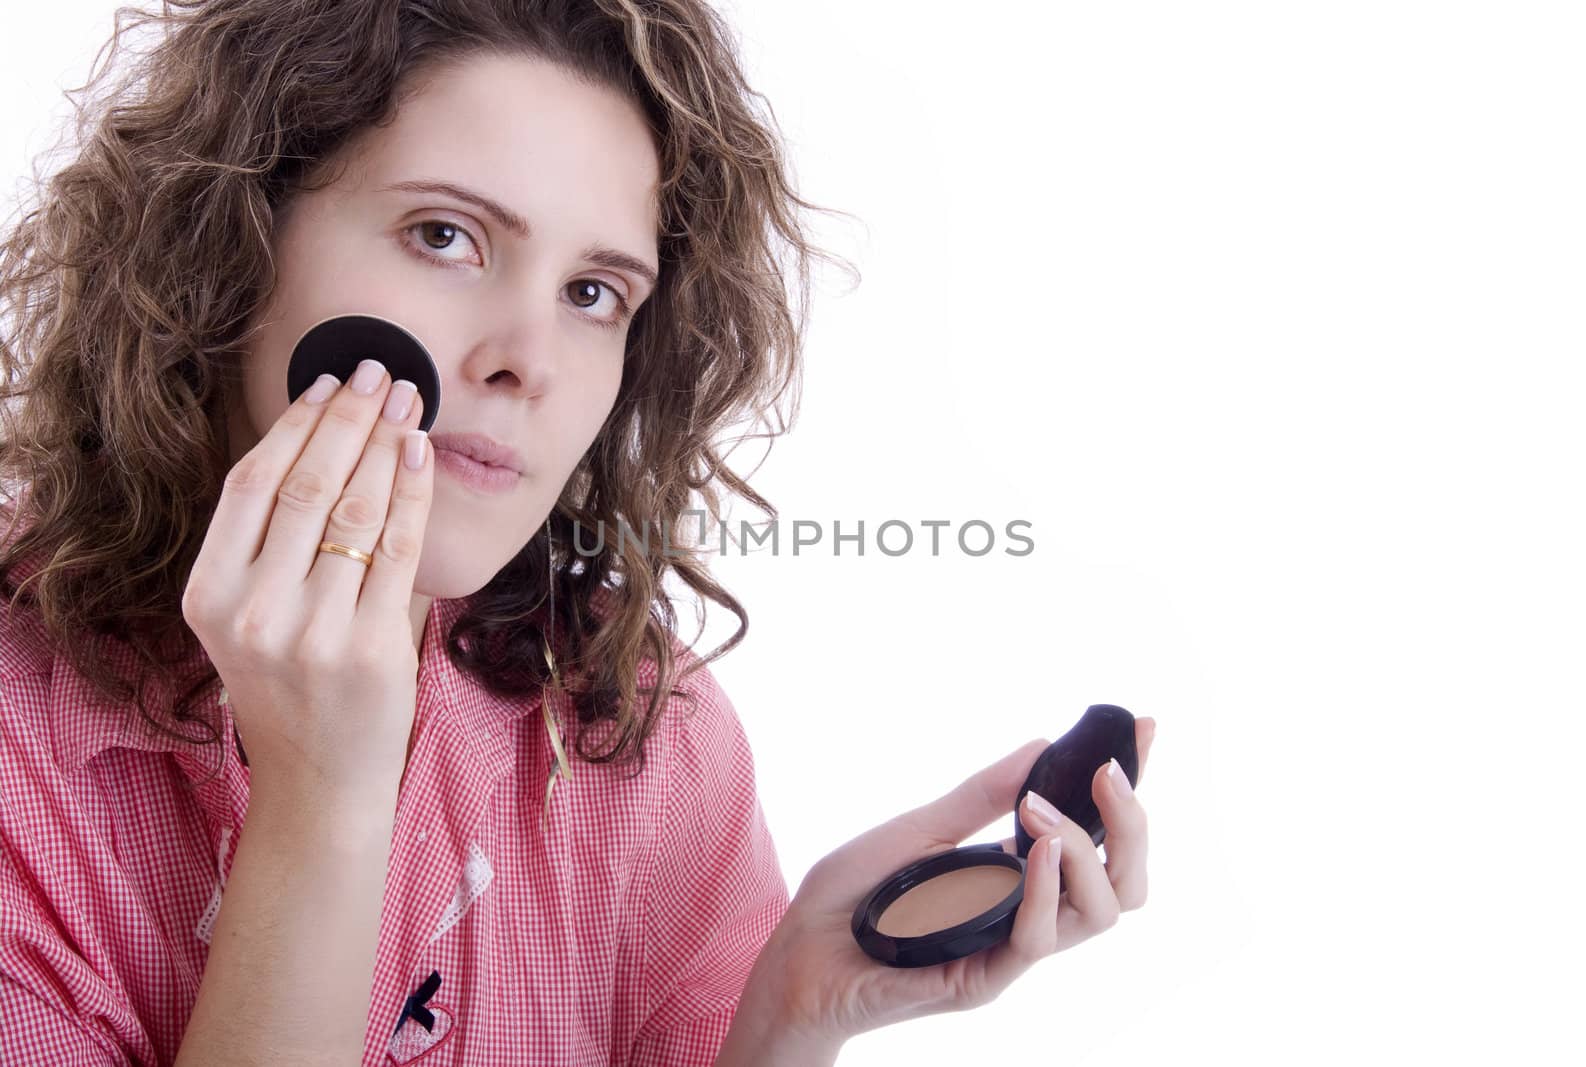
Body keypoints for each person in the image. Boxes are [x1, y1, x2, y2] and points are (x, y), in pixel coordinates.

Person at [0, 2, 1157, 1064]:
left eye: (594, 291)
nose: (530, 361)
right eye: (445, 236)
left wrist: (786, 1015)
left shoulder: (634, 719)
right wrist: (322, 797)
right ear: (230, 241)